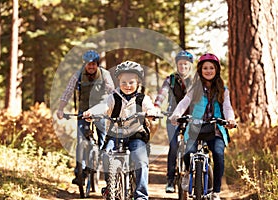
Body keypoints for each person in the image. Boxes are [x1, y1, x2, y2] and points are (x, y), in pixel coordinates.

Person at [83, 61, 160, 200]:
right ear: (118, 81)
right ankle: (110, 186)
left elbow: (150, 108)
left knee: (140, 160)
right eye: (124, 82)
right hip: (115, 135)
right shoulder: (113, 97)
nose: (127, 86)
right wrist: (91, 112)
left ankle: (141, 196)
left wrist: (151, 113)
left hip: (136, 135)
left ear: (138, 83)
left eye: (131, 82)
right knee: (106, 154)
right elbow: (103, 107)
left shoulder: (142, 98)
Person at [169, 53, 236, 200]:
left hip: (215, 128)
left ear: (216, 70)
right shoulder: (195, 88)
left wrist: (230, 119)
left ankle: (216, 192)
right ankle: (187, 173)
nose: (208, 71)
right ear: (200, 70)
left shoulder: (223, 90)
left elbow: (227, 107)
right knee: (188, 152)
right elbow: (184, 102)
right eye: (205, 68)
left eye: (211, 68)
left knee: (218, 154)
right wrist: (176, 115)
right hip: (195, 128)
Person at [56, 50, 115, 184]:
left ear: (97, 64)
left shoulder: (105, 74)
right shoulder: (77, 75)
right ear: (85, 64)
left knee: (103, 139)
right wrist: (60, 109)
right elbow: (67, 92)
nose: (91, 67)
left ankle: (107, 172)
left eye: (93, 64)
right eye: (88, 64)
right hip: (84, 110)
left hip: (101, 111)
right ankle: (80, 174)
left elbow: (112, 91)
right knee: (81, 140)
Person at [154, 50, 194, 193]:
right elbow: (162, 94)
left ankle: (190, 174)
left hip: (191, 118)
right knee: (174, 146)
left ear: (190, 65)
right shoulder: (170, 79)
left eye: (185, 64)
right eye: (180, 64)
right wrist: (157, 106)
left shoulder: (196, 80)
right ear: (177, 65)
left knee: (191, 146)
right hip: (173, 117)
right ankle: (170, 180)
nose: (183, 66)